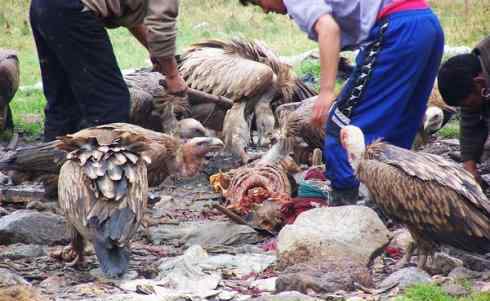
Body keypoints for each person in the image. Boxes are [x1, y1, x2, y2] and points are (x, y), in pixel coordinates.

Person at [239, 0, 444, 205]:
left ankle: (344, 204)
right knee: (402, 122)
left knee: (341, 126)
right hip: (427, 23)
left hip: (396, 30)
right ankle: (392, 202)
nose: (265, 10)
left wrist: (326, 91)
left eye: (259, 2)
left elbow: (328, 29)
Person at [29, 0, 187, 141]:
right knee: (109, 104)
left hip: (43, 6)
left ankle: (52, 166)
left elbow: (131, 17)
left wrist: (155, 52)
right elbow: (161, 29)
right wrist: (172, 76)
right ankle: (103, 169)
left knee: (64, 101)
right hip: (71, 10)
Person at [438, 36, 490, 187]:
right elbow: (470, 122)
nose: (467, 108)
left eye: (469, 103)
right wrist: (469, 167)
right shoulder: (475, 69)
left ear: (479, 83)